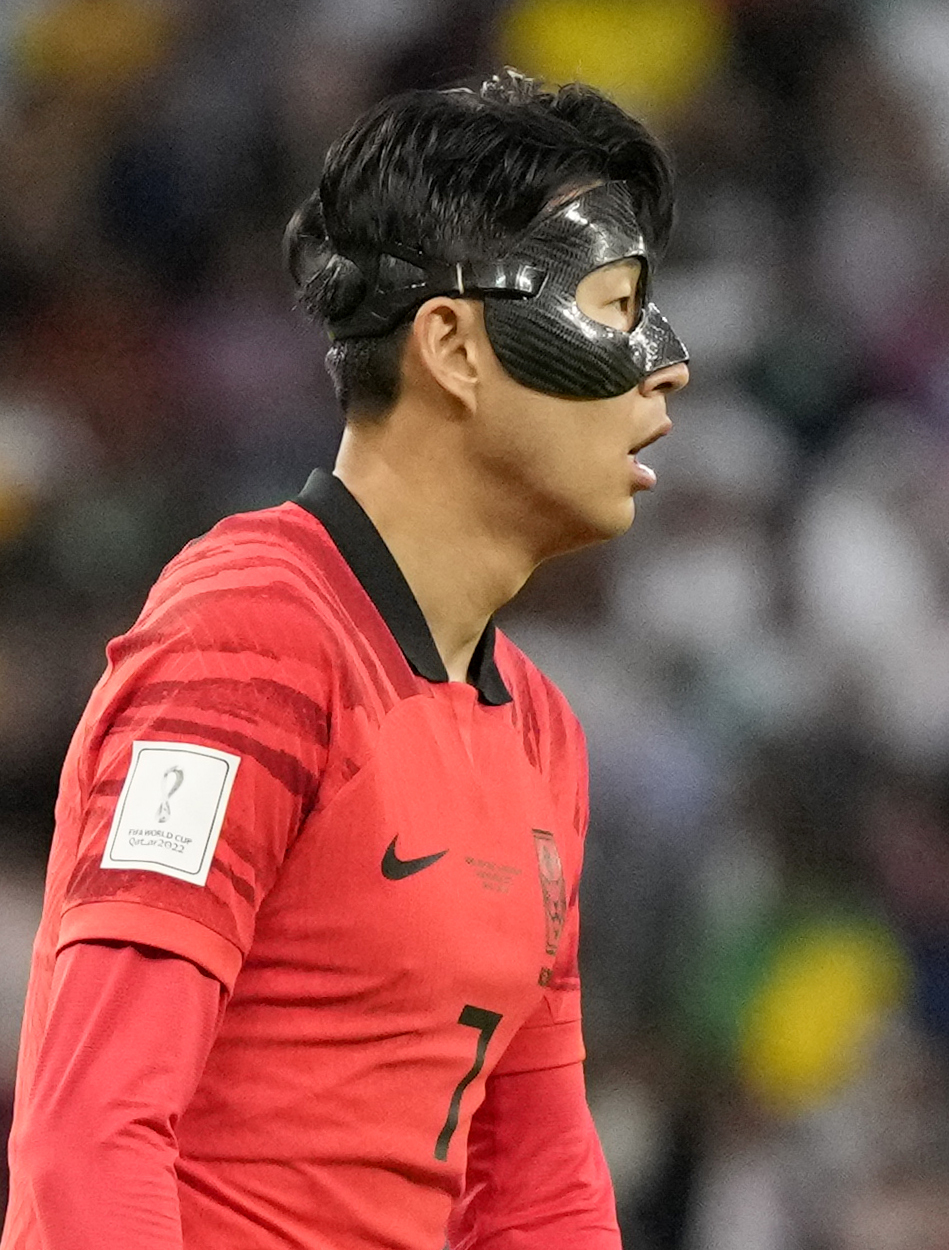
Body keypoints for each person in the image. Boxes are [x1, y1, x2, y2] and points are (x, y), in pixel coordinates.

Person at [2, 69, 690, 1250]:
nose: (664, 367)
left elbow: (535, 1186)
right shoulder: (250, 647)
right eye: (617, 310)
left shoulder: (540, 731)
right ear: (456, 348)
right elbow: (90, 1133)